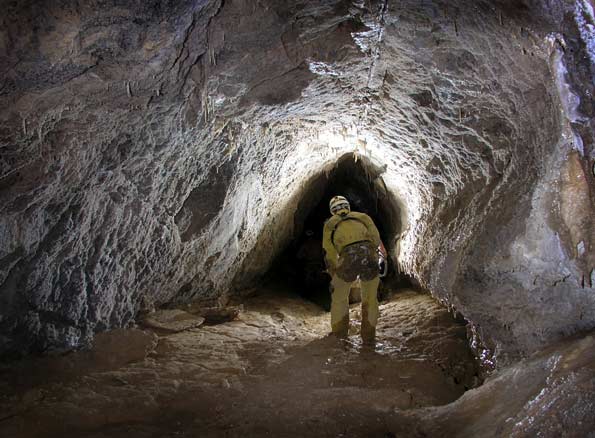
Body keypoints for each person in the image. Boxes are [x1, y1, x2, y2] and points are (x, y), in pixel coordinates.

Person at [322, 195, 382, 344]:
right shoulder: (362, 217)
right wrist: (373, 256)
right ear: (347, 206)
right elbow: (375, 237)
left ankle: (340, 333)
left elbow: (328, 250)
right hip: (369, 254)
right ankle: (369, 337)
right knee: (370, 298)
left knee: (340, 297)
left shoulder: (330, 223)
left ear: (332, 210)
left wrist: (334, 269)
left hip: (347, 257)